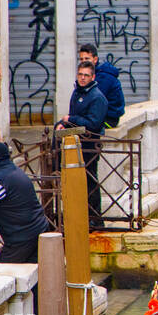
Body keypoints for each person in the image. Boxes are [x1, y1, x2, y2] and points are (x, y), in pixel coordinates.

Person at [56, 61, 108, 228]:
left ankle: (95, 219)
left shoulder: (97, 97)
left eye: (86, 75)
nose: (83, 78)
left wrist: (70, 120)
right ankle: (80, 216)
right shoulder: (77, 92)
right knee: (77, 180)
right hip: (76, 142)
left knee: (90, 180)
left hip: (90, 145)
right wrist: (63, 124)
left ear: (93, 77)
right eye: (80, 75)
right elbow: (74, 115)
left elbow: (92, 124)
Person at [78, 43, 124, 129]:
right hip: (100, 116)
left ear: (95, 60)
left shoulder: (103, 77)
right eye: (81, 59)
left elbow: (92, 101)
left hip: (108, 120)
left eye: (87, 59)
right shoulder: (92, 74)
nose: (84, 62)